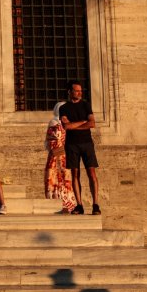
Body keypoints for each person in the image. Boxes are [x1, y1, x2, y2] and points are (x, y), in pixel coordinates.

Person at [59, 81, 100, 215]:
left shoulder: (86, 105)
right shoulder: (64, 108)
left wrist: (75, 125)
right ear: (70, 92)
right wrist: (83, 122)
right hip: (72, 144)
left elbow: (92, 123)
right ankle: (79, 205)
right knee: (75, 174)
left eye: (80, 91)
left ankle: (95, 204)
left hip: (87, 143)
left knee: (91, 173)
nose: (79, 93)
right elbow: (66, 126)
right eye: (76, 91)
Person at [44, 102, 77, 214]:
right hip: (56, 159)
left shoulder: (68, 123)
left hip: (65, 158)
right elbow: (53, 144)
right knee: (55, 181)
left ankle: (67, 206)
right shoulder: (54, 123)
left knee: (66, 182)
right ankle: (58, 206)